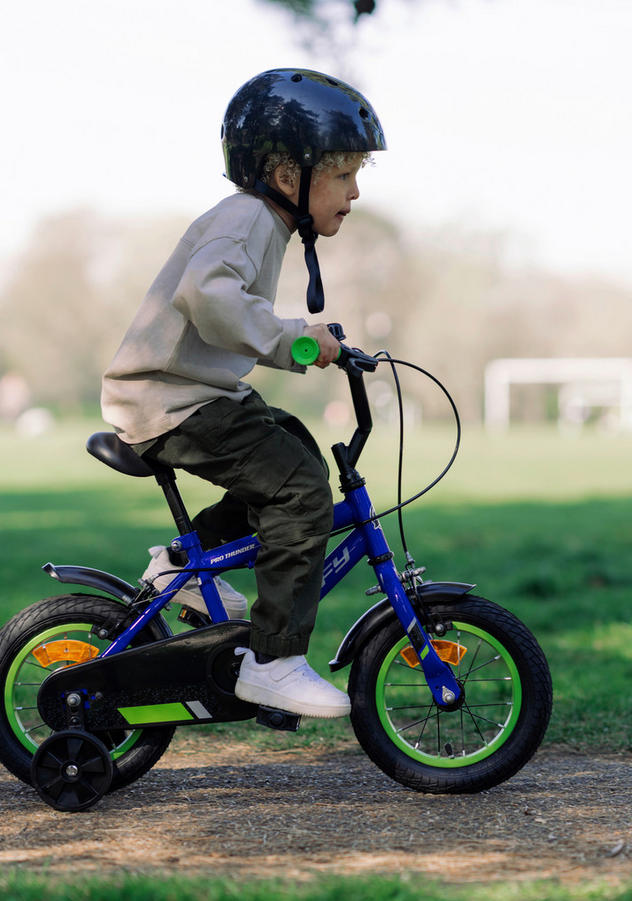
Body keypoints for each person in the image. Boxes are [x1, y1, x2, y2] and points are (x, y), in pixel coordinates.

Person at [100, 68, 386, 719]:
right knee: (299, 488)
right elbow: (208, 295)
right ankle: (274, 660)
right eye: (343, 175)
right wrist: (300, 342)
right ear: (289, 177)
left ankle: (180, 568)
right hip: (166, 402)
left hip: (191, 394)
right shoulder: (248, 220)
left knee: (293, 453)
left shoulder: (259, 221)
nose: (356, 190)